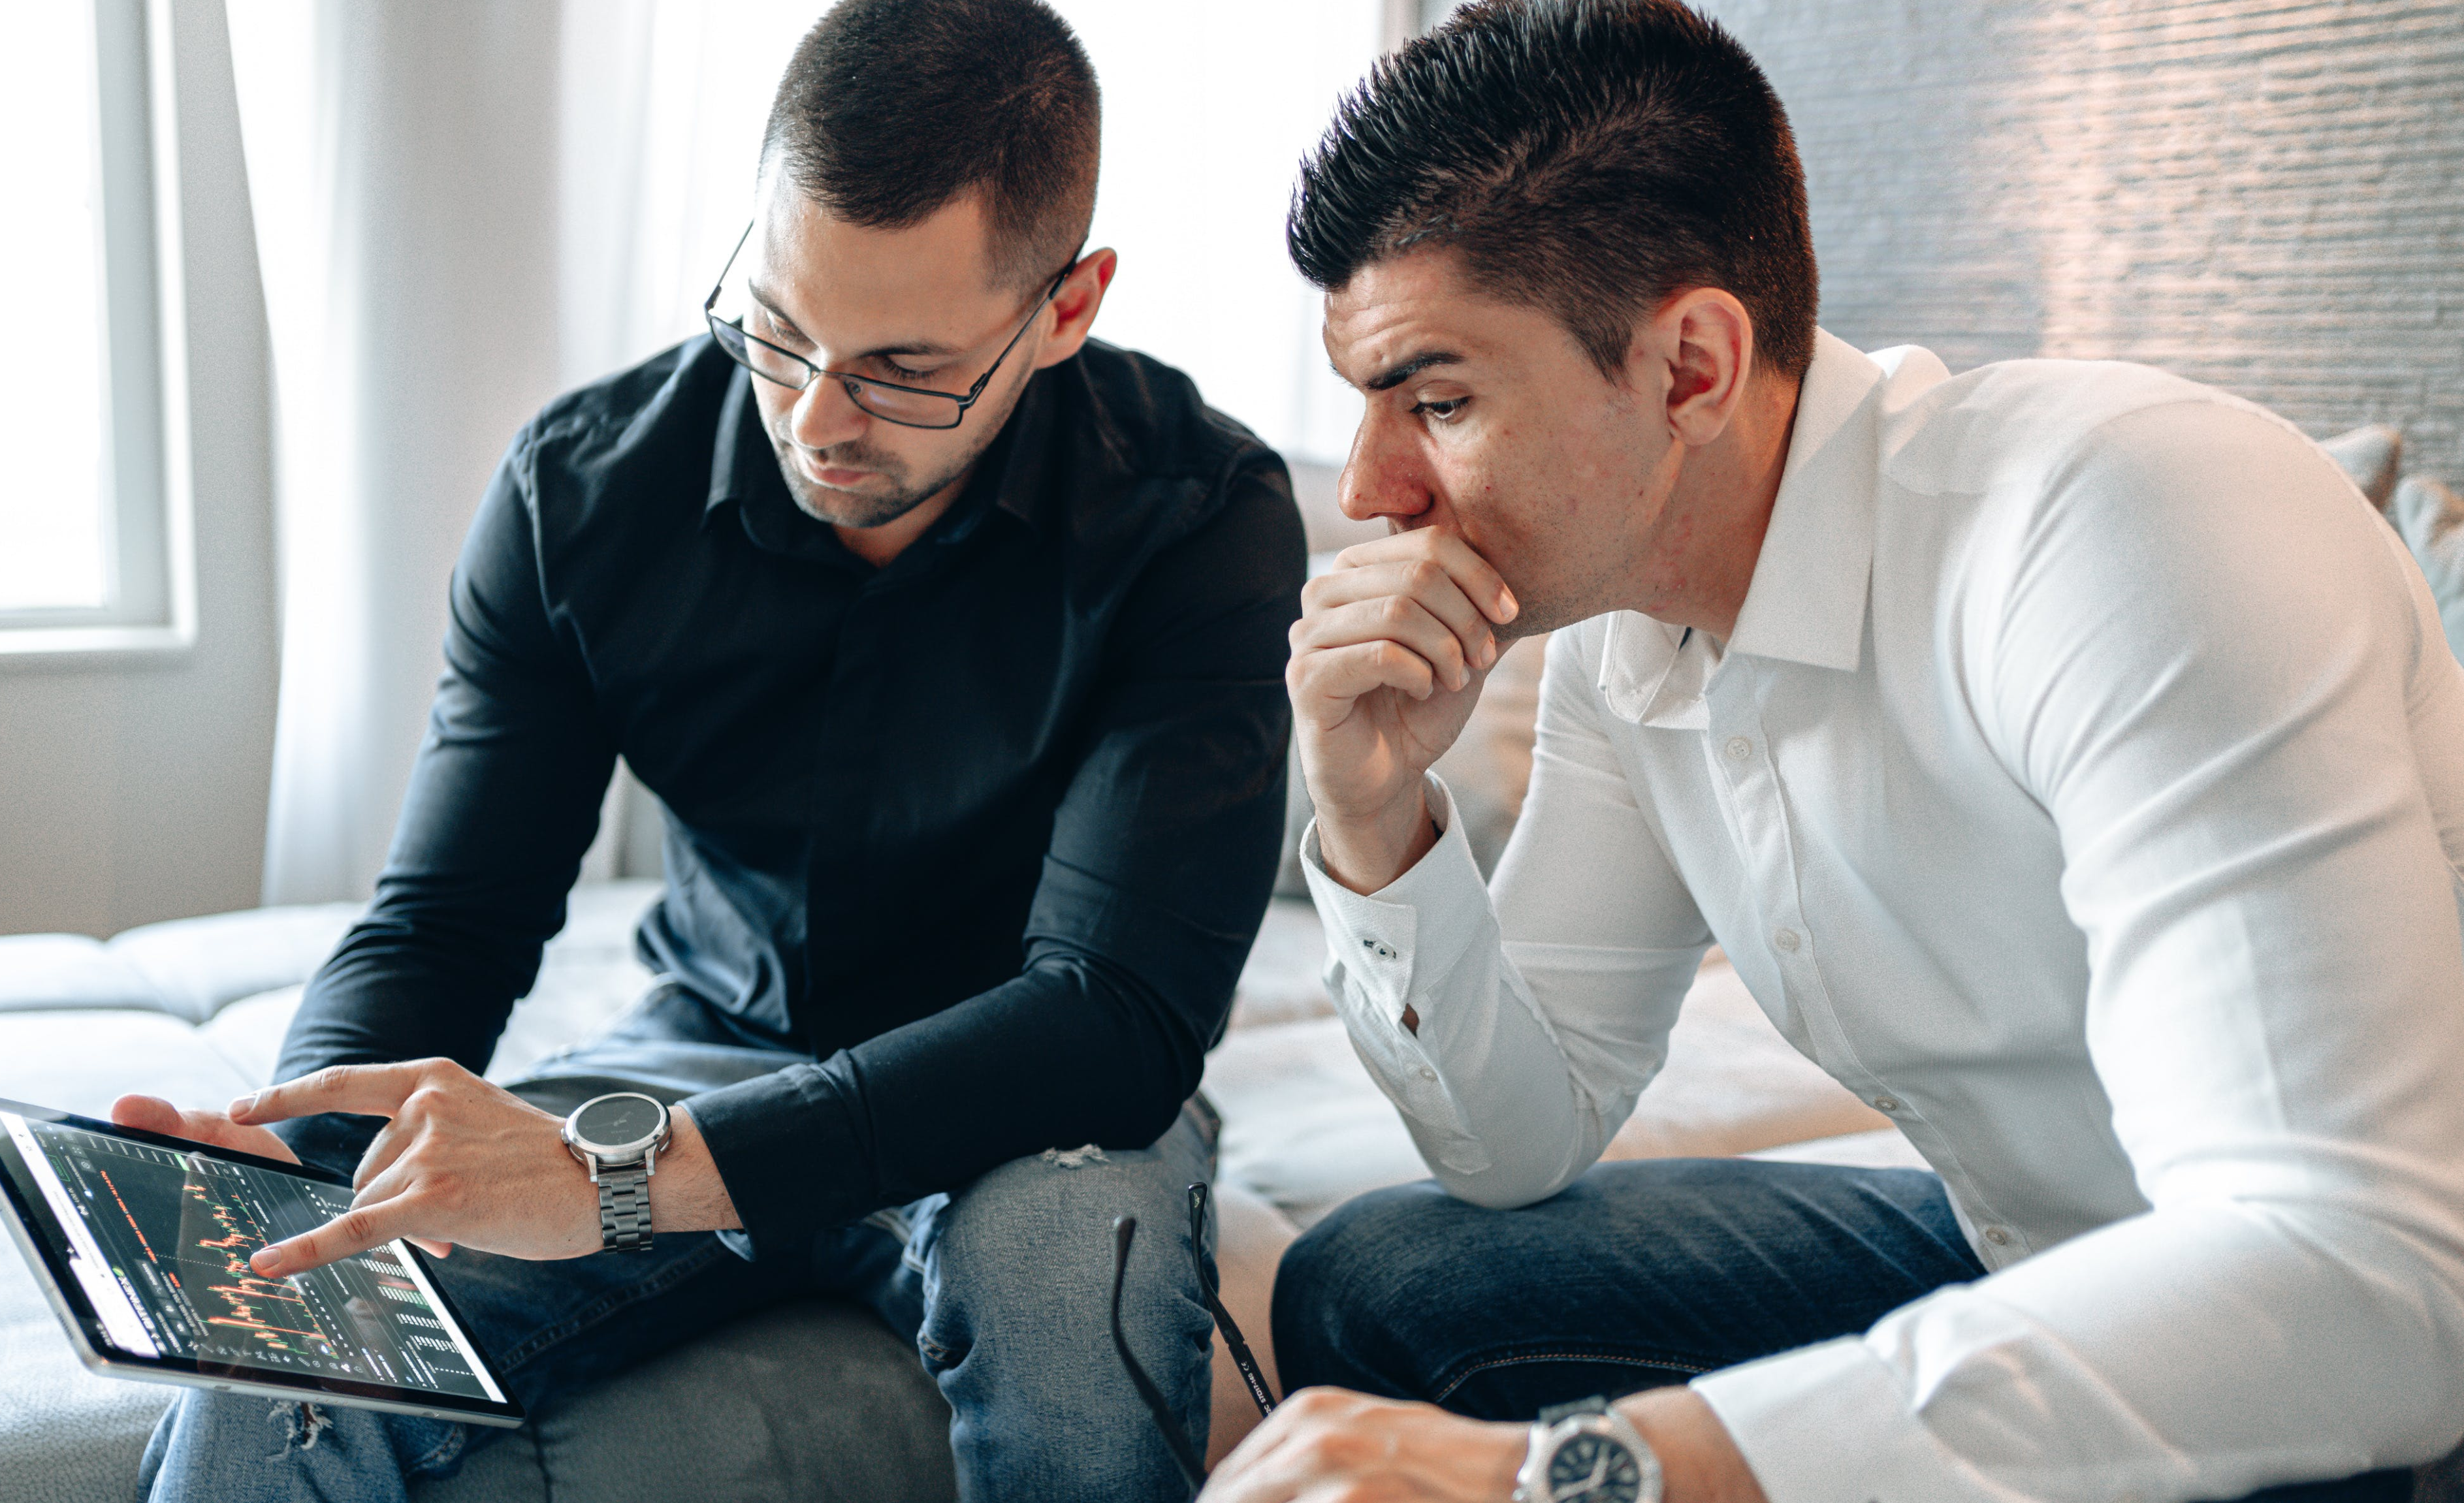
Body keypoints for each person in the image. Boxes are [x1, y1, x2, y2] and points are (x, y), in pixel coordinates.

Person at [1206, 2, 2464, 1500]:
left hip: (2352, 1320)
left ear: (1689, 366)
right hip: (2037, 1244)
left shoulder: (2121, 522)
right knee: (1383, 1273)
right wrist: (1371, 814)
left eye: (1439, 399)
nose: (1370, 487)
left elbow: (2358, 1272)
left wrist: (1597, 1469)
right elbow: (1515, 1142)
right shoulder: (1631, 643)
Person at [118, 2, 1303, 1499]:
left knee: (1077, 1316)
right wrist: (295, 1134)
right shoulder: (584, 491)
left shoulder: (1198, 517)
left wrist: (621, 1178)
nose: (815, 419)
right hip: (698, 1049)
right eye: (780, 326)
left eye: (898, 366)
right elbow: (451, 915)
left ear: (1064, 309)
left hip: (1029, 1100)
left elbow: (1114, 1012)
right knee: (281, 1344)